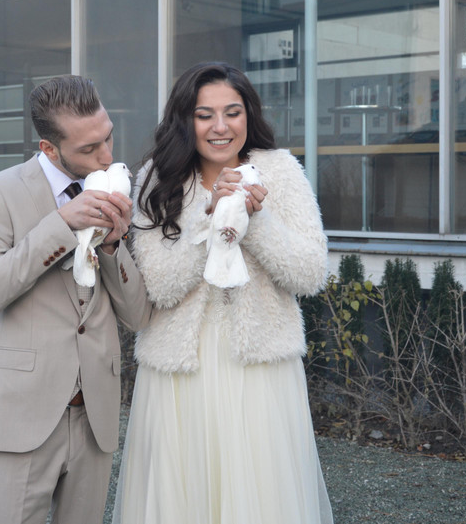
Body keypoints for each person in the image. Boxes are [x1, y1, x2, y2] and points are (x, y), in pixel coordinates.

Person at [112, 61, 334, 524]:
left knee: (260, 498)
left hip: (259, 367)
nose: (220, 126)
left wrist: (255, 220)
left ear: (248, 114)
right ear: (184, 120)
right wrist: (211, 217)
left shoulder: (279, 170)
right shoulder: (157, 177)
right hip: (179, 372)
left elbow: (310, 273)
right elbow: (161, 286)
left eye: (232, 112)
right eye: (204, 114)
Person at [0, 75, 152, 524]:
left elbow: (138, 316)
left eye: (108, 138)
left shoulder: (119, 190)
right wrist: (61, 225)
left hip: (95, 418)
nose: (106, 156)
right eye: (89, 149)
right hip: (19, 414)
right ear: (49, 148)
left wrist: (113, 247)